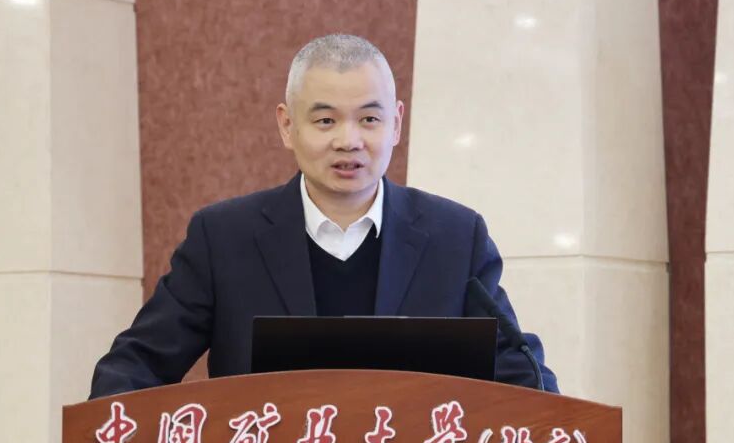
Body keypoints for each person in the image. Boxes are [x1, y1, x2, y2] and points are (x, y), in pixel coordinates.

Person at [89, 34, 558, 398]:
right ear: (286, 125)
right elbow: (136, 365)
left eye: (369, 119)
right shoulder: (225, 239)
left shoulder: (454, 238)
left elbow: (522, 376)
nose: (348, 141)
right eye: (325, 120)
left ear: (396, 123)